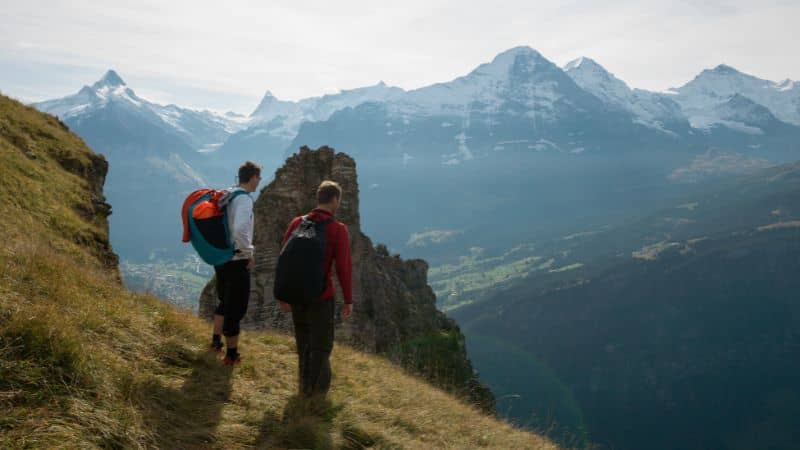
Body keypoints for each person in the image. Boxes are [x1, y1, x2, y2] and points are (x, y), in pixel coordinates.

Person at [278, 180, 353, 397]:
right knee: (321, 346)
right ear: (335, 200)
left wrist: (282, 294)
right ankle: (317, 395)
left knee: (304, 343)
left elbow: (284, 259)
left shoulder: (296, 223)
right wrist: (348, 299)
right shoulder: (338, 230)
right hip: (321, 297)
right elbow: (343, 268)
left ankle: (304, 388)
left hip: (296, 296)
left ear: (318, 198)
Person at [210, 161, 261, 365]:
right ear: (253, 178)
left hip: (221, 258)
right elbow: (240, 230)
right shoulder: (245, 200)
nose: (259, 182)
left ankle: (215, 343)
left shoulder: (228, 195)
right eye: (259, 178)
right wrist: (248, 252)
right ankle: (231, 355)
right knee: (236, 307)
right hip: (236, 259)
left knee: (224, 301)